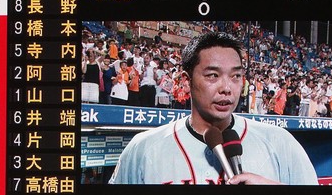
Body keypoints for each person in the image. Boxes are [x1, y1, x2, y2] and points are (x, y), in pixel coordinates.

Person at [109, 31, 318, 185]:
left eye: (236, 76)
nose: (226, 88)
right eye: (213, 75)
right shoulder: (143, 149)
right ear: (187, 80)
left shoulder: (280, 142)